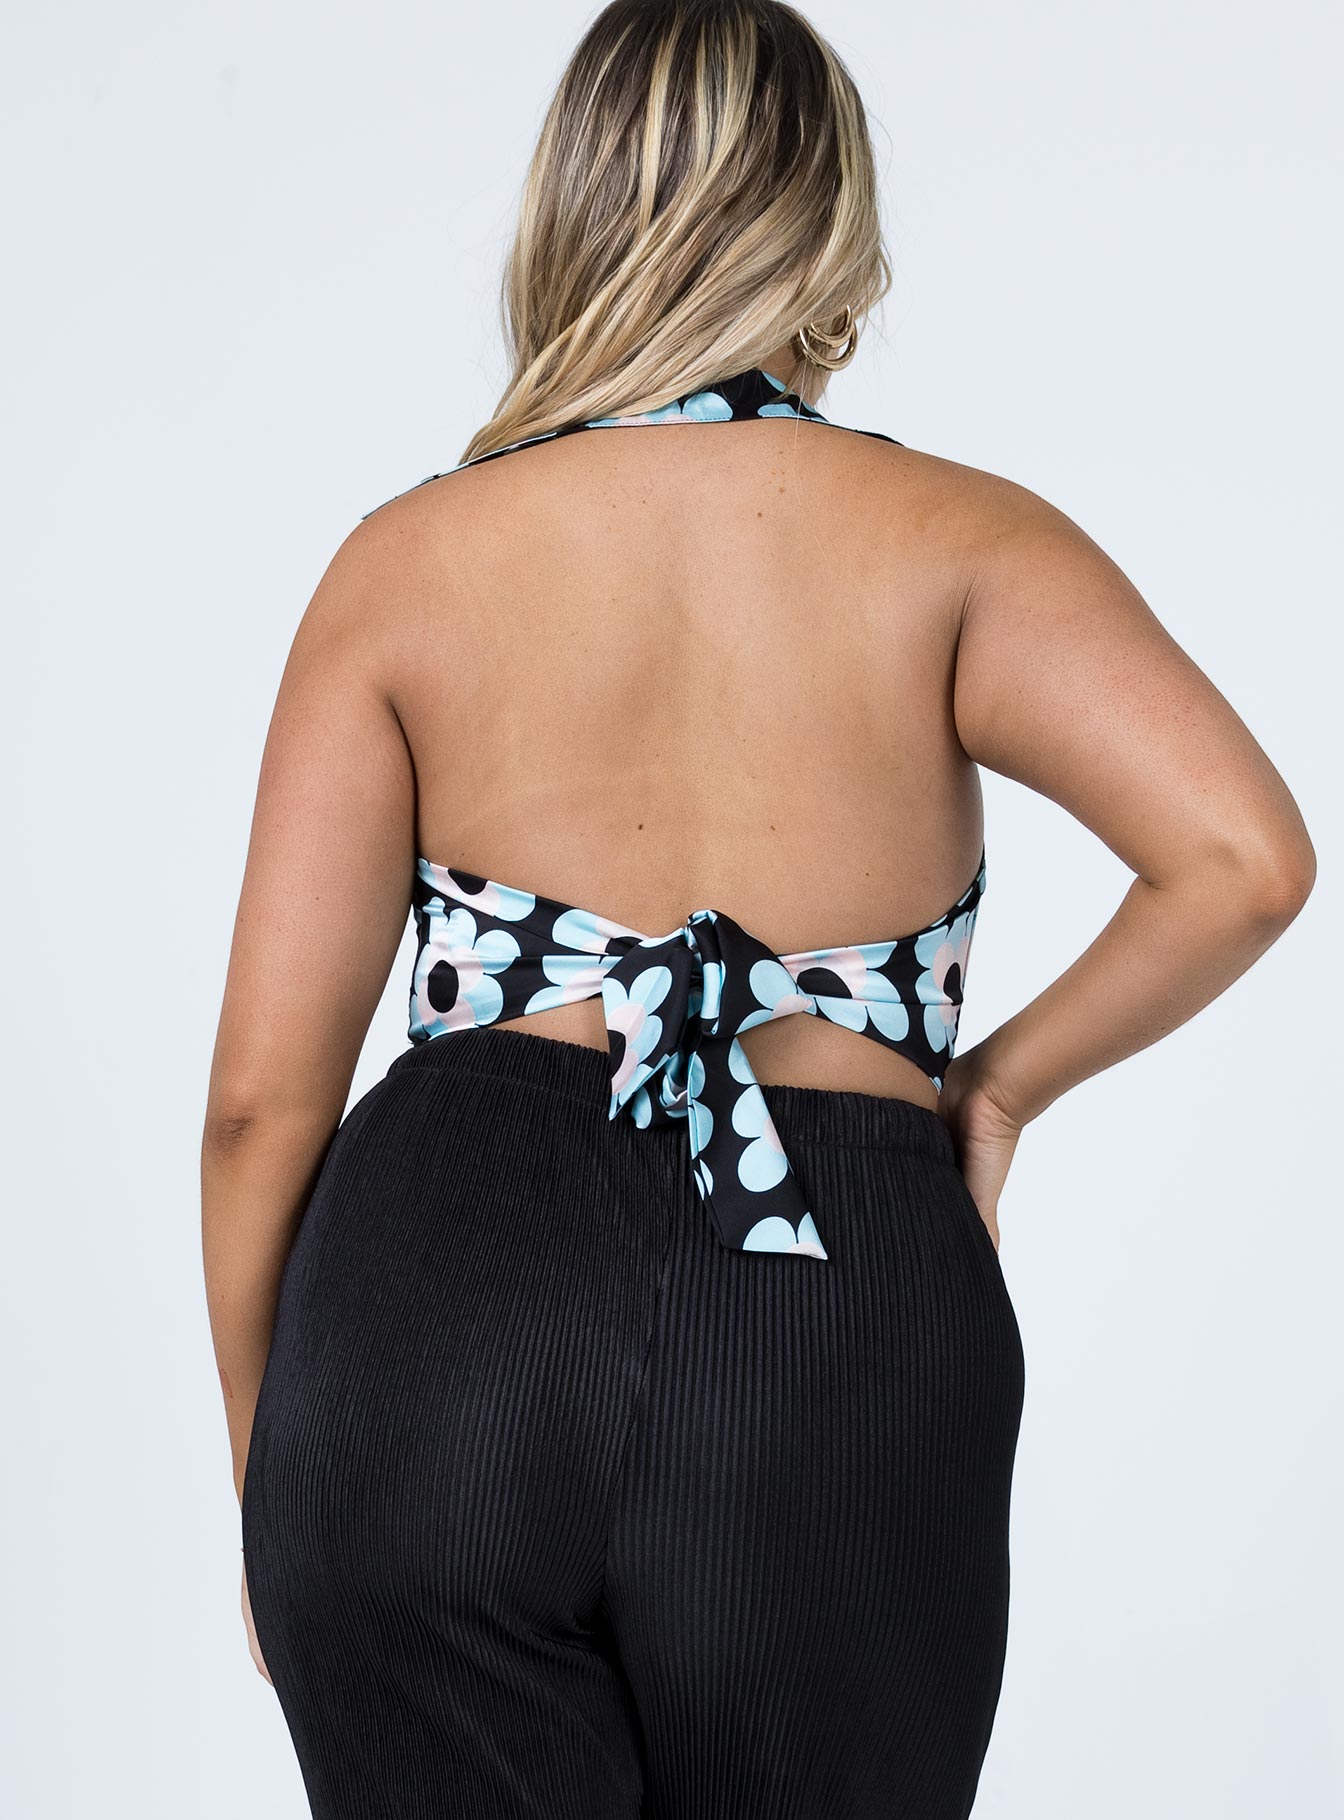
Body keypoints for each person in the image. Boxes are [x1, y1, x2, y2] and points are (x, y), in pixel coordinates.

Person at [200, 3, 1315, 1816]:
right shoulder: (964, 543)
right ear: (829, 225)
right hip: (832, 1309)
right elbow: (1246, 860)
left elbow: (262, 1107)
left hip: (439, 1314)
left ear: (572, 212)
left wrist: (273, 1465)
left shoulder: (403, 566)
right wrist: (994, 1092)